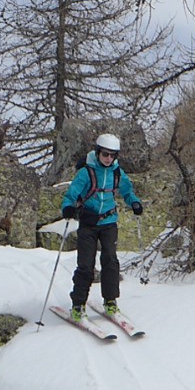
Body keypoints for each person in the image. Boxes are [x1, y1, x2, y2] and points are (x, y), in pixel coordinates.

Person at [60, 133, 143, 321]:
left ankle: (111, 301)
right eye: (105, 154)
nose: (108, 159)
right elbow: (72, 194)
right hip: (88, 224)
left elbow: (127, 191)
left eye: (113, 155)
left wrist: (135, 203)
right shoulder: (86, 172)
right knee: (86, 266)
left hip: (108, 222)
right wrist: (68, 208)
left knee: (110, 261)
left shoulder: (117, 172)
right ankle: (78, 305)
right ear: (98, 152)